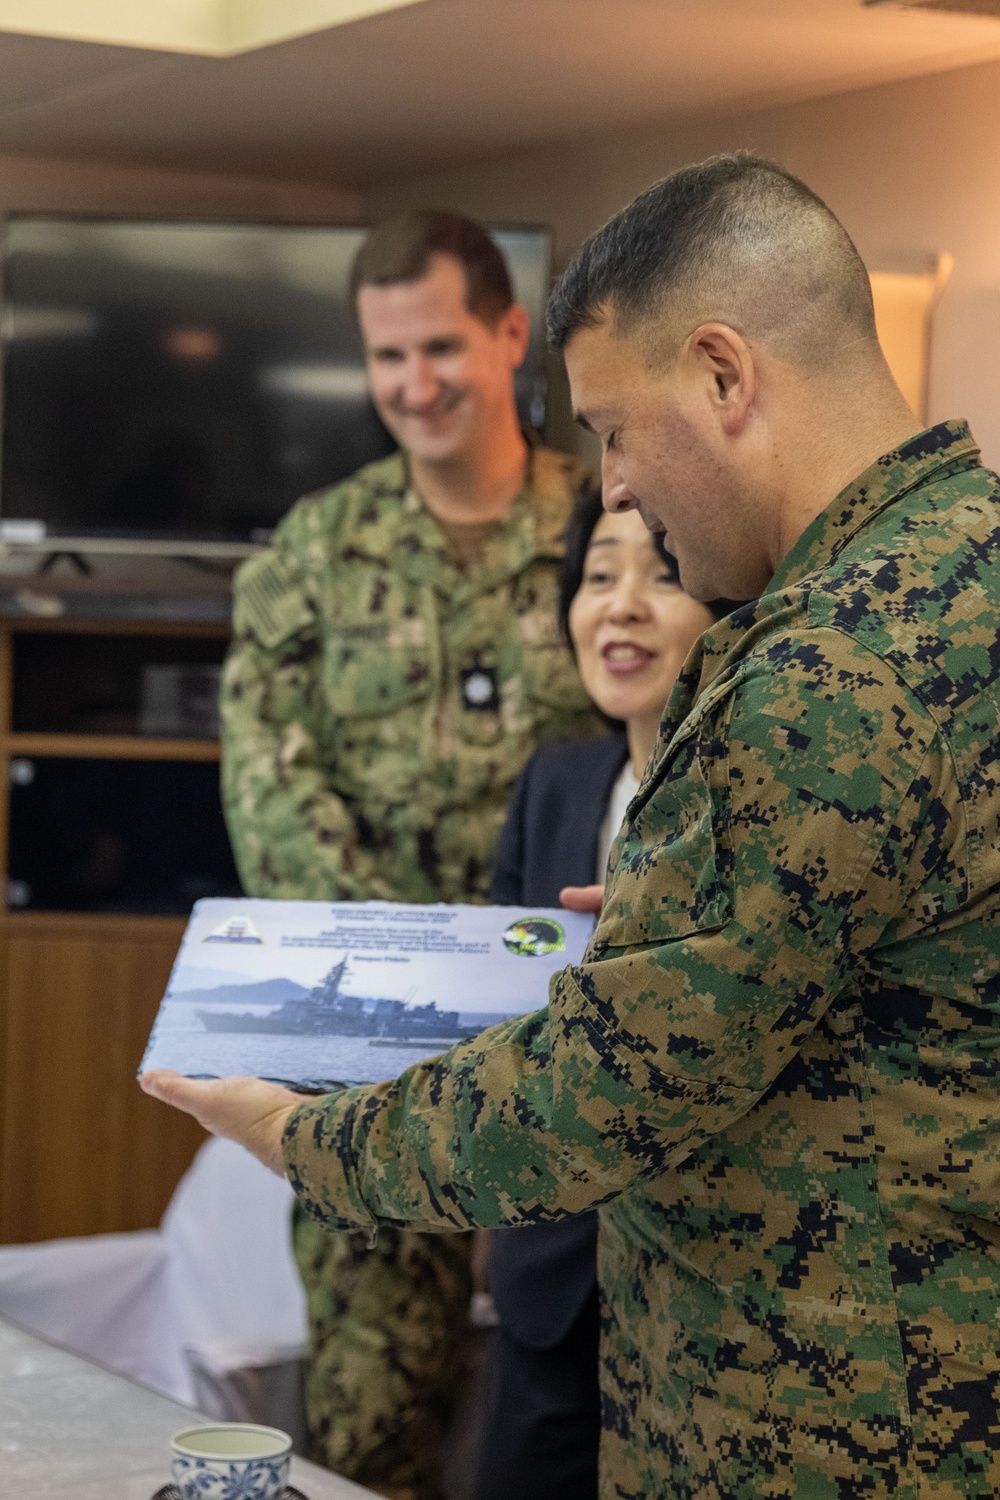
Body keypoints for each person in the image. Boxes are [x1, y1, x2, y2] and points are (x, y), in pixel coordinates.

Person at [143, 153, 1000, 1499]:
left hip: (824, 1425)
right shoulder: (966, 569)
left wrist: (304, 1138)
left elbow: (602, 1091)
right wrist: (689, 926)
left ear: (724, 376)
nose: (610, 490)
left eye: (611, 427)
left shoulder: (824, 668)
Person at [219, 209, 600, 1500]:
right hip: (369, 1051)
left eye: (441, 345)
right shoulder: (314, 555)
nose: (416, 384)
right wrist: (391, 977)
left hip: (571, 1042)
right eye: (388, 357)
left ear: (507, 335)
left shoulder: (611, 537)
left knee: (568, 1402)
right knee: (369, 1417)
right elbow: (267, 774)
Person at [477, 485, 732, 1500]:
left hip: (705, 1305)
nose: (619, 605)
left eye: (662, 574)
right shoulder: (553, 783)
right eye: (596, 575)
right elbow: (498, 1020)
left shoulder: (766, 804)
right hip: (548, 1287)